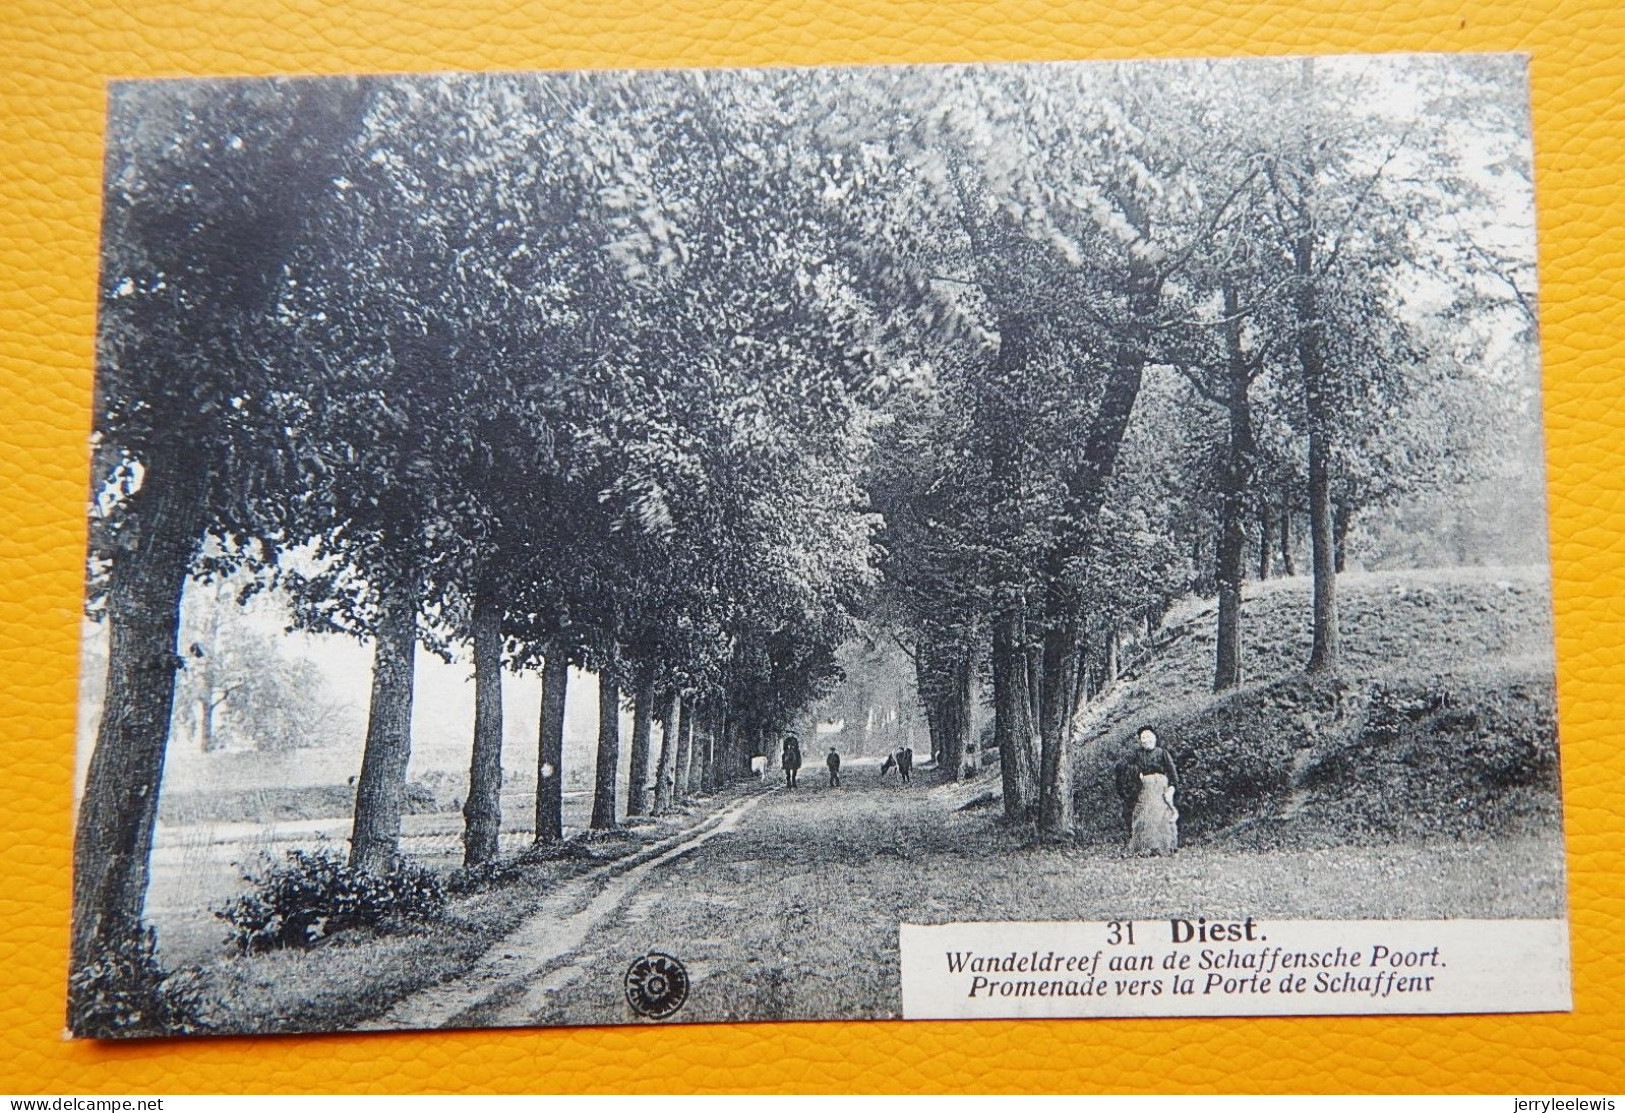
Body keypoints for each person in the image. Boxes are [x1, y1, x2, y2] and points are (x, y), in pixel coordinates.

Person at [1117, 725, 1179, 856]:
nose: (1146, 739)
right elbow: (1125, 768)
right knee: (1144, 815)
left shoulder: (1162, 753)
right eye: (1143, 737)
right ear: (1140, 740)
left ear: (1155, 738)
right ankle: (1145, 847)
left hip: (1160, 787)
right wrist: (1136, 774)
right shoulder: (1136, 754)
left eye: (1149, 736)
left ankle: (1164, 846)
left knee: (1161, 815)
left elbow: (1172, 772)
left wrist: (1172, 787)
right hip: (1144, 788)